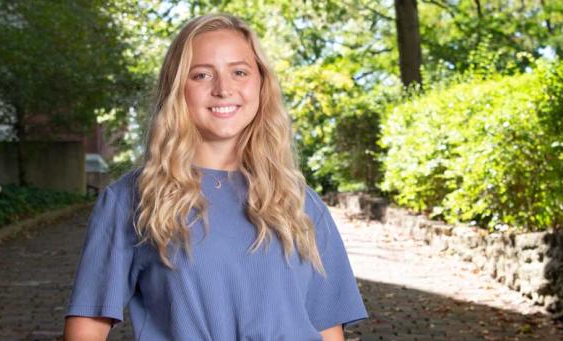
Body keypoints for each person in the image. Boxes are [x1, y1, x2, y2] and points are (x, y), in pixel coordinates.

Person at [63, 13, 369, 341]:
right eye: (202, 75)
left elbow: (327, 329)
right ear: (177, 89)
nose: (223, 89)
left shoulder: (300, 203)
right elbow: (88, 328)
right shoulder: (132, 199)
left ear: (262, 84)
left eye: (239, 72)